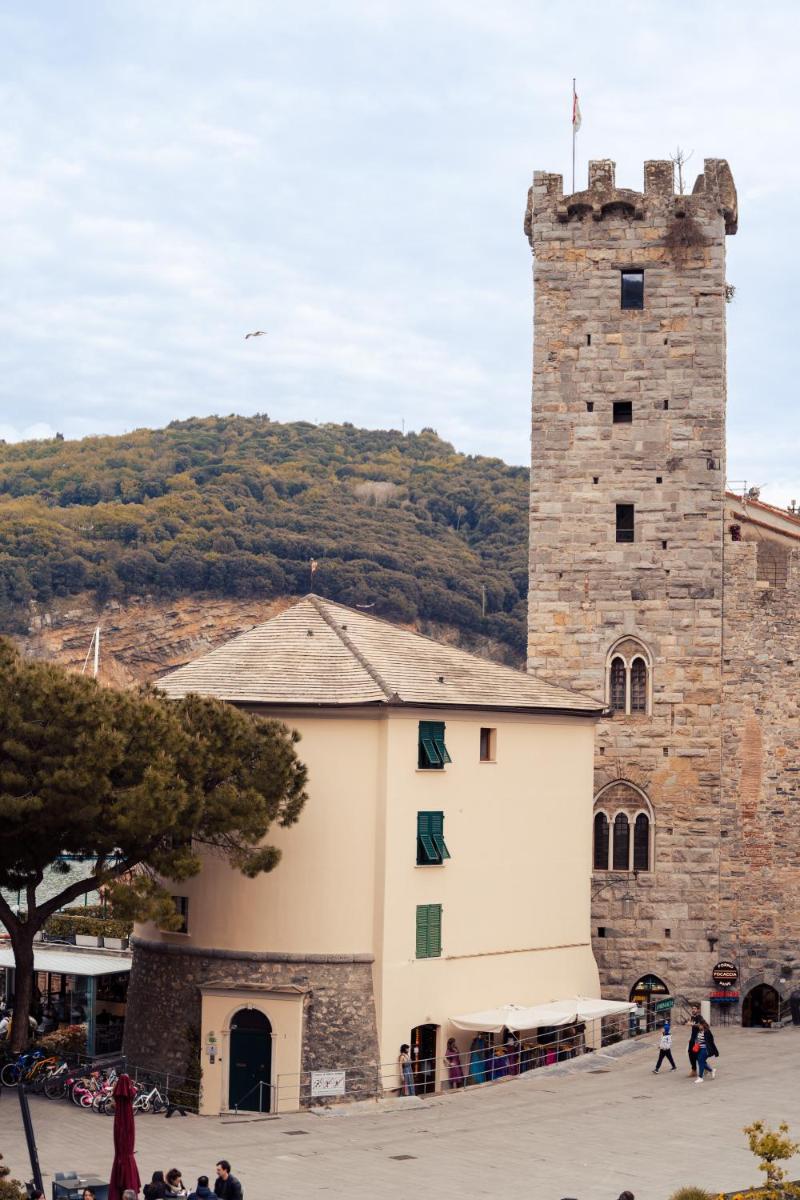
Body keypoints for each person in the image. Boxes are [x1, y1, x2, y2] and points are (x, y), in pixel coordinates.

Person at [693, 1018, 719, 1084]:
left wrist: (714, 1051)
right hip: (699, 1049)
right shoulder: (699, 1031)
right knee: (700, 1062)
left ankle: (700, 1078)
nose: (699, 1026)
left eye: (699, 1025)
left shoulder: (707, 1032)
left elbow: (711, 1041)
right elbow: (697, 1038)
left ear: (703, 1025)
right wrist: (696, 1042)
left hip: (705, 1049)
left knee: (701, 1062)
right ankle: (711, 1070)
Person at [687, 1005, 701, 1076]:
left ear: (698, 1010)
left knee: (697, 1054)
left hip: (698, 1038)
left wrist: (692, 1024)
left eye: (695, 1009)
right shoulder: (692, 1017)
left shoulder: (699, 1017)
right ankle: (694, 1070)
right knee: (690, 1052)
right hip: (693, 1038)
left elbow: (700, 1026)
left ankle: (706, 1067)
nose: (693, 1010)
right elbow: (692, 1026)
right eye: (692, 1008)